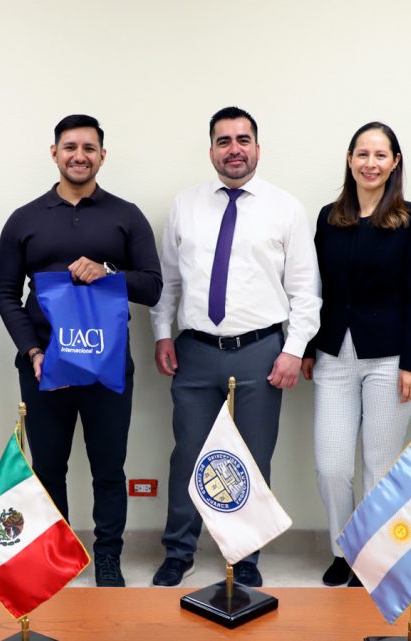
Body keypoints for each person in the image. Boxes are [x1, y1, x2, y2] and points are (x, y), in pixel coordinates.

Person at [150, 106, 321, 588]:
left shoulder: (286, 208)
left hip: (261, 350)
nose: (234, 149)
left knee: (253, 456)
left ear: (257, 148)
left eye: (243, 140)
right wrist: (162, 332)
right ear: (211, 150)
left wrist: (294, 349)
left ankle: (245, 553)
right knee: (188, 454)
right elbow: (168, 280)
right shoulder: (185, 205)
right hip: (195, 349)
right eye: (223, 141)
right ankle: (178, 550)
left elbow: (305, 290)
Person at [0, 114, 161, 587]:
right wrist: (32, 351)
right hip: (44, 365)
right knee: (49, 468)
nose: (79, 156)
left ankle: (108, 557)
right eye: (70, 147)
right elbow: (5, 293)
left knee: (109, 469)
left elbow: (152, 285)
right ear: (54, 153)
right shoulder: (24, 219)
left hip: (108, 365)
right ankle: (58, 556)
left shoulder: (126, 215)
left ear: (102, 156)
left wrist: (109, 273)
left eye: (89, 148)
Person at [301, 122, 411, 587]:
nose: (370, 163)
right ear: (349, 159)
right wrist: (310, 347)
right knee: (332, 466)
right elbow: (316, 289)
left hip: (390, 359)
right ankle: (344, 550)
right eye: (362, 154)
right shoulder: (328, 217)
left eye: (380, 155)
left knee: (379, 465)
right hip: (334, 355)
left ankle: (374, 557)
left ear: (395, 162)